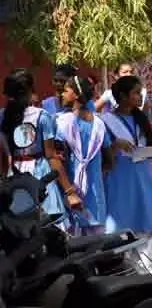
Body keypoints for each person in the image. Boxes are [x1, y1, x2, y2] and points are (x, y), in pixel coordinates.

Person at [100, 76, 152, 272]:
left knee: (146, 229)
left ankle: (149, 275)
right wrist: (115, 145)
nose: (140, 96)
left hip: (143, 178)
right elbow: (103, 156)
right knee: (122, 231)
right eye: (136, 92)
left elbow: (148, 147)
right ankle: (126, 274)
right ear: (122, 96)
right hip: (120, 180)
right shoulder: (105, 121)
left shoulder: (142, 118)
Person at [1, 69, 71, 219]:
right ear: (30, 90)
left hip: (13, 178)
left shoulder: (2, 116)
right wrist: (69, 191)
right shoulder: (42, 116)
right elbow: (51, 156)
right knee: (48, 222)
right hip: (40, 175)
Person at [56, 76, 113, 236]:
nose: (62, 94)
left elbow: (59, 159)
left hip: (72, 190)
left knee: (74, 238)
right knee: (97, 238)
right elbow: (110, 160)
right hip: (96, 193)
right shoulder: (99, 124)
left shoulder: (63, 123)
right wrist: (95, 173)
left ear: (75, 95)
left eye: (66, 90)